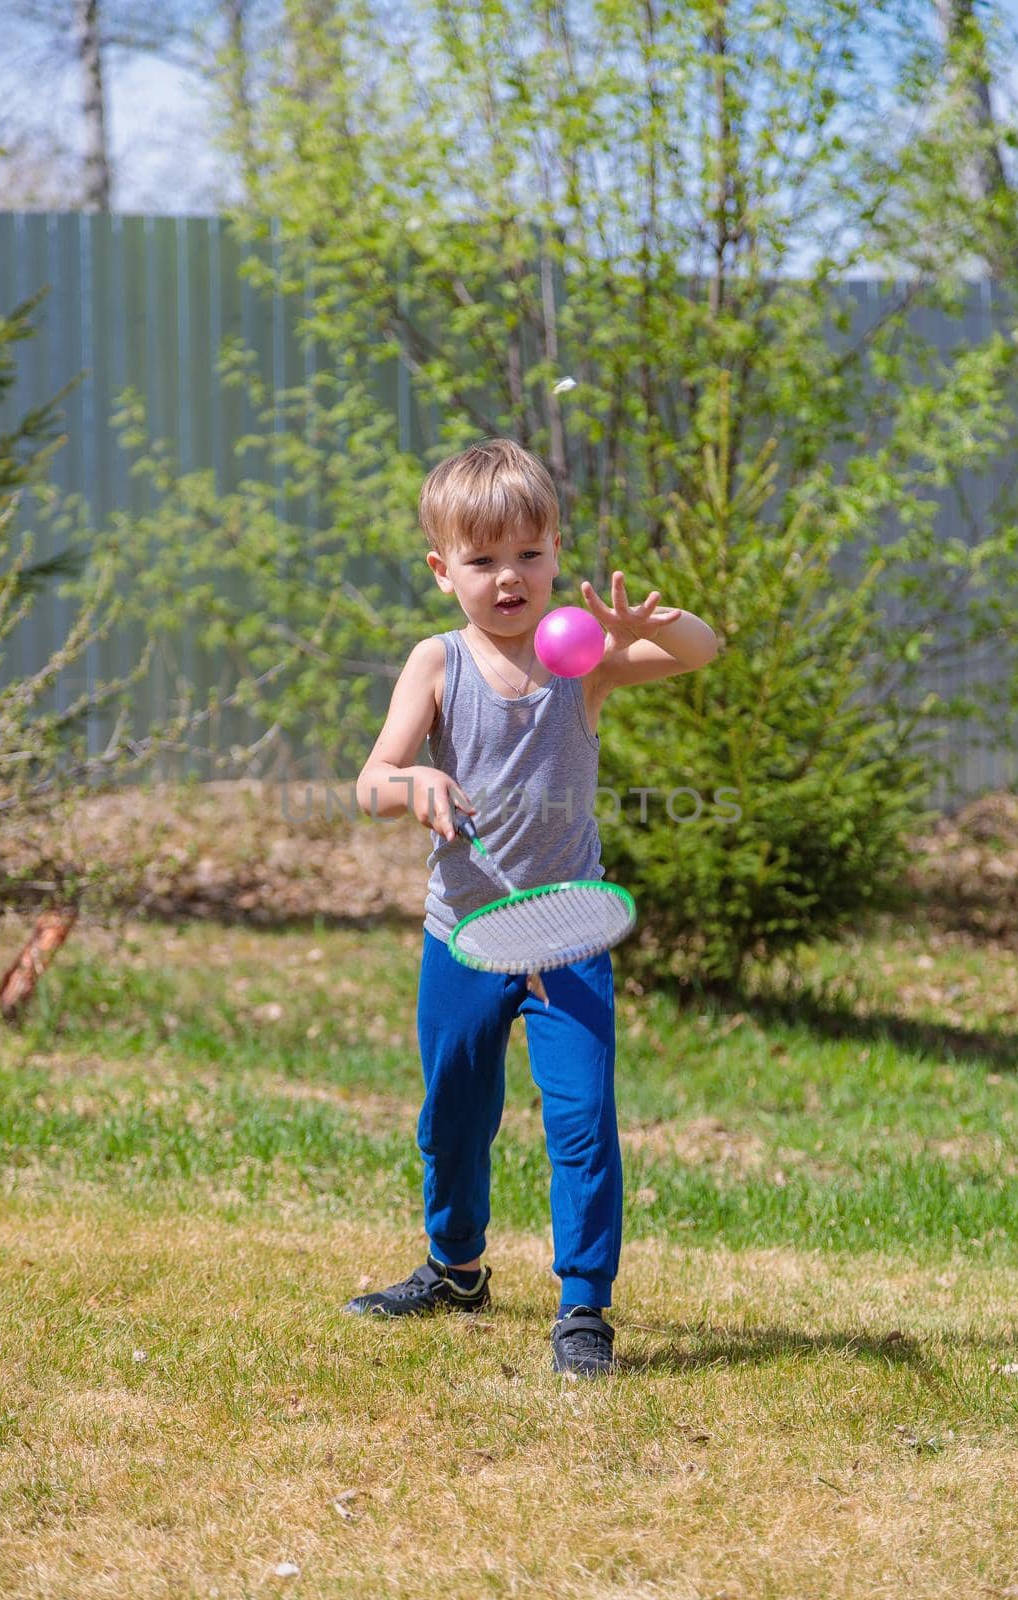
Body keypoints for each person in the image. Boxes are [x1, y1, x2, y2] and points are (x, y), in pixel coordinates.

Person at [346, 438, 719, 1376]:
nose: (508, 578)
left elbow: (701, 652)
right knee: (453, 1117)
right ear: (443, 571)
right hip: (463, 938)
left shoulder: (582, 657)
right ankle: (455, 1268)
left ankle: (584, 1308)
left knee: (583, 1119)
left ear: (556, 551)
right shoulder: (435, 664)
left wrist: (655, 620)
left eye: (529, 555)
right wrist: (416, 780)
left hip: (568, 938)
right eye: (481, 561)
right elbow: (369, 782)